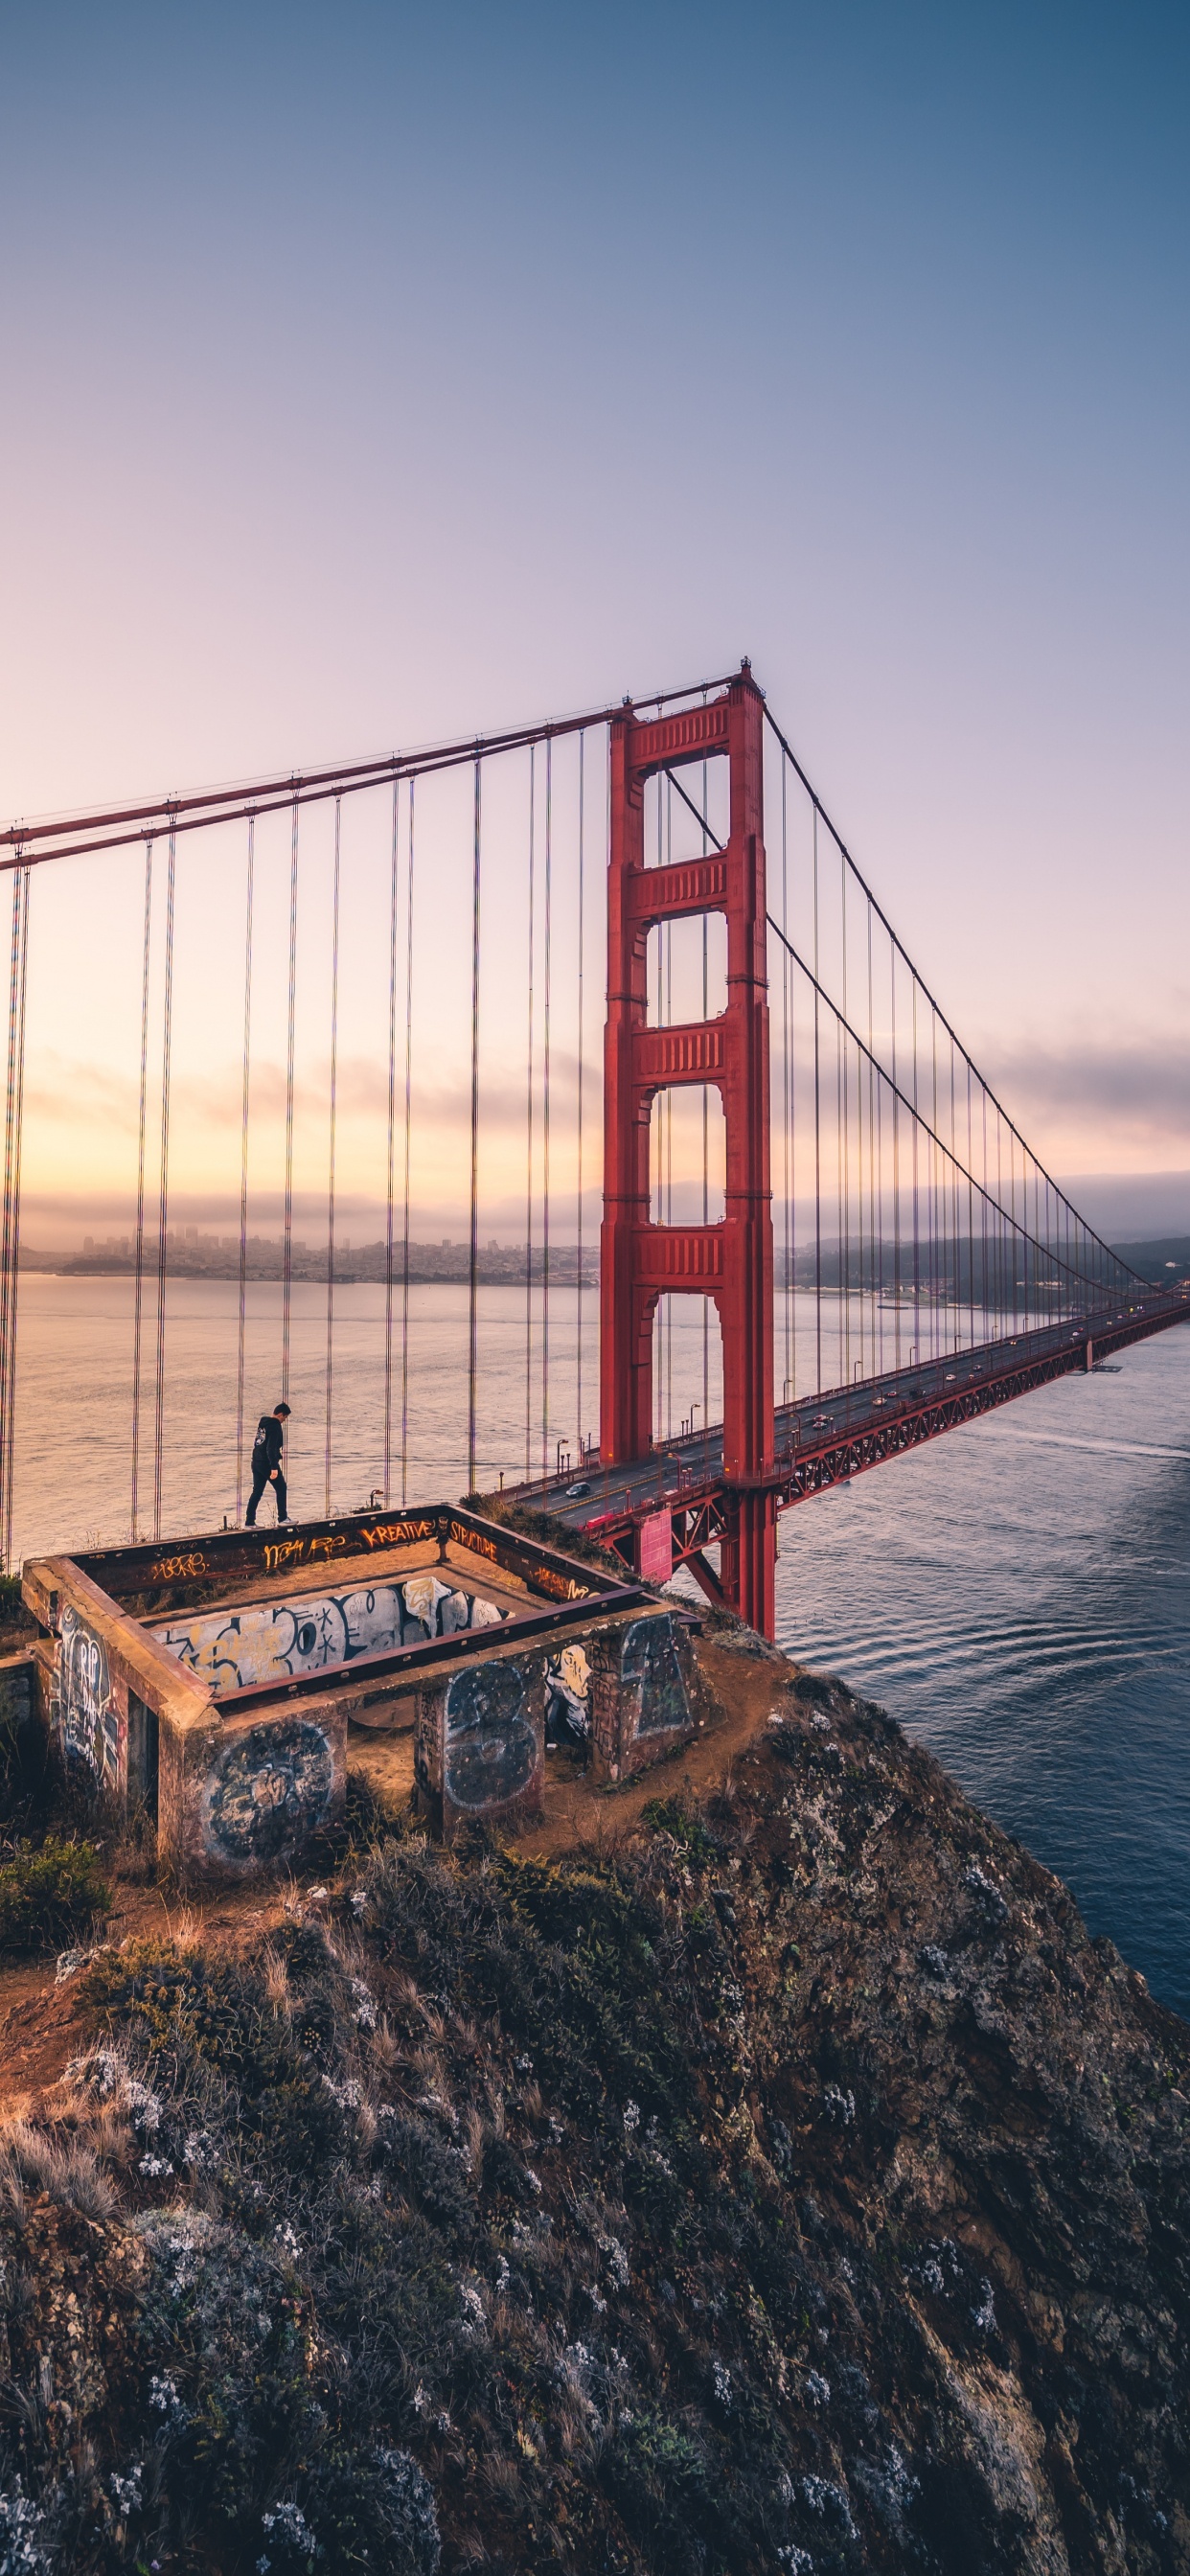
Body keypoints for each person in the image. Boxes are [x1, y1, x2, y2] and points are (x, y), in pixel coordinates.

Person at [246, 1402, 291, 1526]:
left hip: (256, 1462)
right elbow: (271, 1448)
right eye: (285, 1418)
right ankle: (282, 1519)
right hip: (267, 1463)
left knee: (257, 1492)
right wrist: (274, 1467)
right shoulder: (275, 1426)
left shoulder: (263, 1424)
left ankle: (249, 1522)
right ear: (281, 1415)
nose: (284, 1421)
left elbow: (259, 1444)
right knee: (281, 1488)